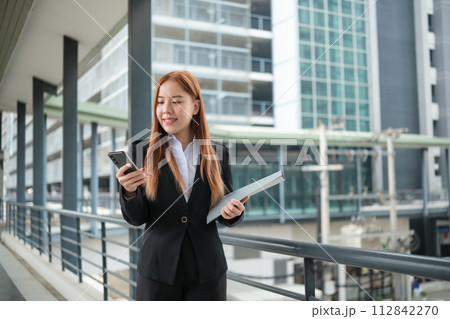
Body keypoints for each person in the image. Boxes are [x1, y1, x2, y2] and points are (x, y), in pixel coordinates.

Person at [115, 71, 250, 301]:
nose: (166, 109)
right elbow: (137, 218)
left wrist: (233, 213)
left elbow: (222, 210)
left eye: (176, 101)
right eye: (160, 102)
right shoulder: (142, 150)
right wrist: (129, 192)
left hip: (207, 271)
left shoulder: (218, 153)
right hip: (158, 271)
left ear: (195, 107)